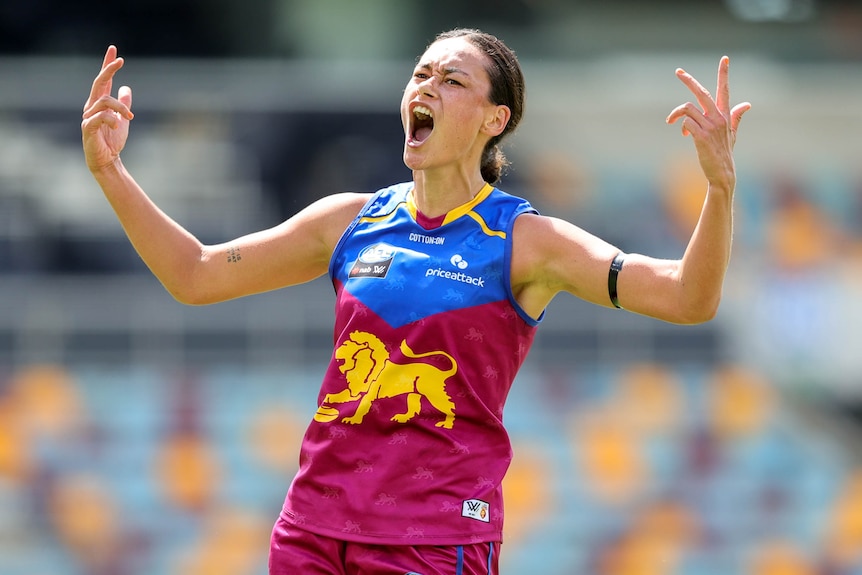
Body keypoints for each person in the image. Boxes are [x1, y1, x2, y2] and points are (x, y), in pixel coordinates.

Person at [81, 28, 750, 575]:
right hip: (311, 532)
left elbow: (688, 298)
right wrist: (111, 172)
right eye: (421, 74)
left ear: (496, 119)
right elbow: (196, 274)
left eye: (452, 79)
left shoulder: (527, 240)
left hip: (432, 539)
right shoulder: (349, 221)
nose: (427, 85)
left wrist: (718, 191)